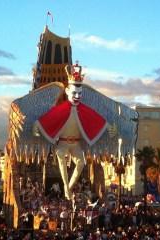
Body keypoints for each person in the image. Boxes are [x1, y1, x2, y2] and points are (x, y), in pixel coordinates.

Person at [35, 63, 107, 200]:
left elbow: (96, 119)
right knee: (61, 157)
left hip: (76, 144)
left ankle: (68, 188)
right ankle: (66, 188)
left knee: (81, 162)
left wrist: (109, 127)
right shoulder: (61, 109)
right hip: (62, 143)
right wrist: (37, 126)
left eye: (80, 94)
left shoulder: (83, 110)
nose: (77, 96)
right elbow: (48, 118)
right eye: (74, 93)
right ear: (67, 91)